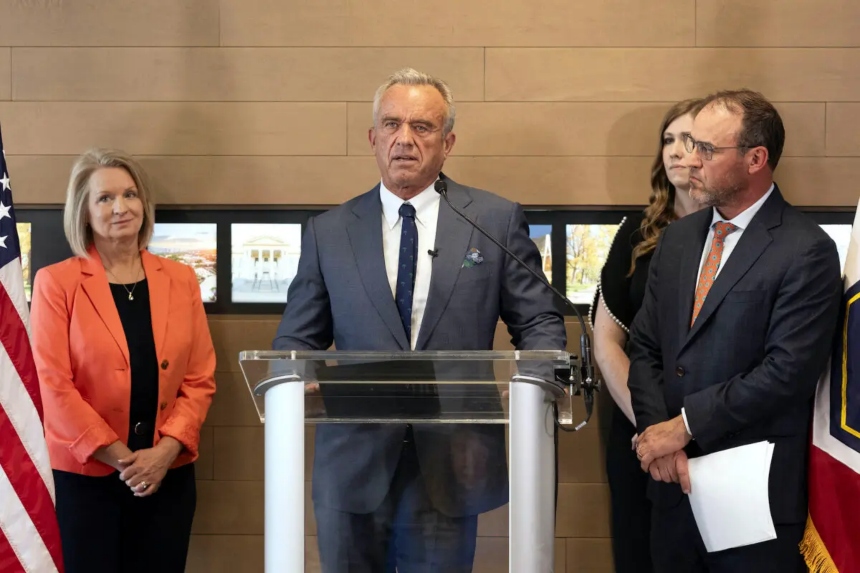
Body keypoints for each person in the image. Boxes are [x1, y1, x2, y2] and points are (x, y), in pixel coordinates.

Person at [272, 68, 566, 572]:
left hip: (453, 458)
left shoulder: (492, 221)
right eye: (391, 124)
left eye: (422, 127)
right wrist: (292, 379)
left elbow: (539, 322)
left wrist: (531, 386)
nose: (404, 139)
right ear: (373, 138)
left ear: (447, 143)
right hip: (353, 462)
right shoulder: (329, 231)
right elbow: (295, 341)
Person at [627, 89, 842, 572]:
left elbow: (787, 373)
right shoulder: (677, 239)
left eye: (706, 148)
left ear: (755, 159)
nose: (689, 160)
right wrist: (659, 437)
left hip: (751, 501)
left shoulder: (806, 250)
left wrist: (683, 427)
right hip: (670, 490)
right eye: (689, 144)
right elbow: (645, 348)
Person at [30, 148, 217, 573]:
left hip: (168, 476)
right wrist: (124, 460)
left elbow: (200, 378)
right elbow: (53, 385)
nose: (121, 207)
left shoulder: (181, 279)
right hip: (86, 480)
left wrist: (163, 453)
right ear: (84, 211)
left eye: (130, 194)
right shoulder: (56, 282)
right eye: (105, 198)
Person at [589, 98, 703, 573]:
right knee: (641, 553)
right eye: (668, 140)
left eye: (689, 140)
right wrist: (654, 428)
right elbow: (606, 342)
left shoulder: (744, 234)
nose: (674, 151)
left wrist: (686, 429)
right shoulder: (636, 232)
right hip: (640, 429)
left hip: (720, 428)